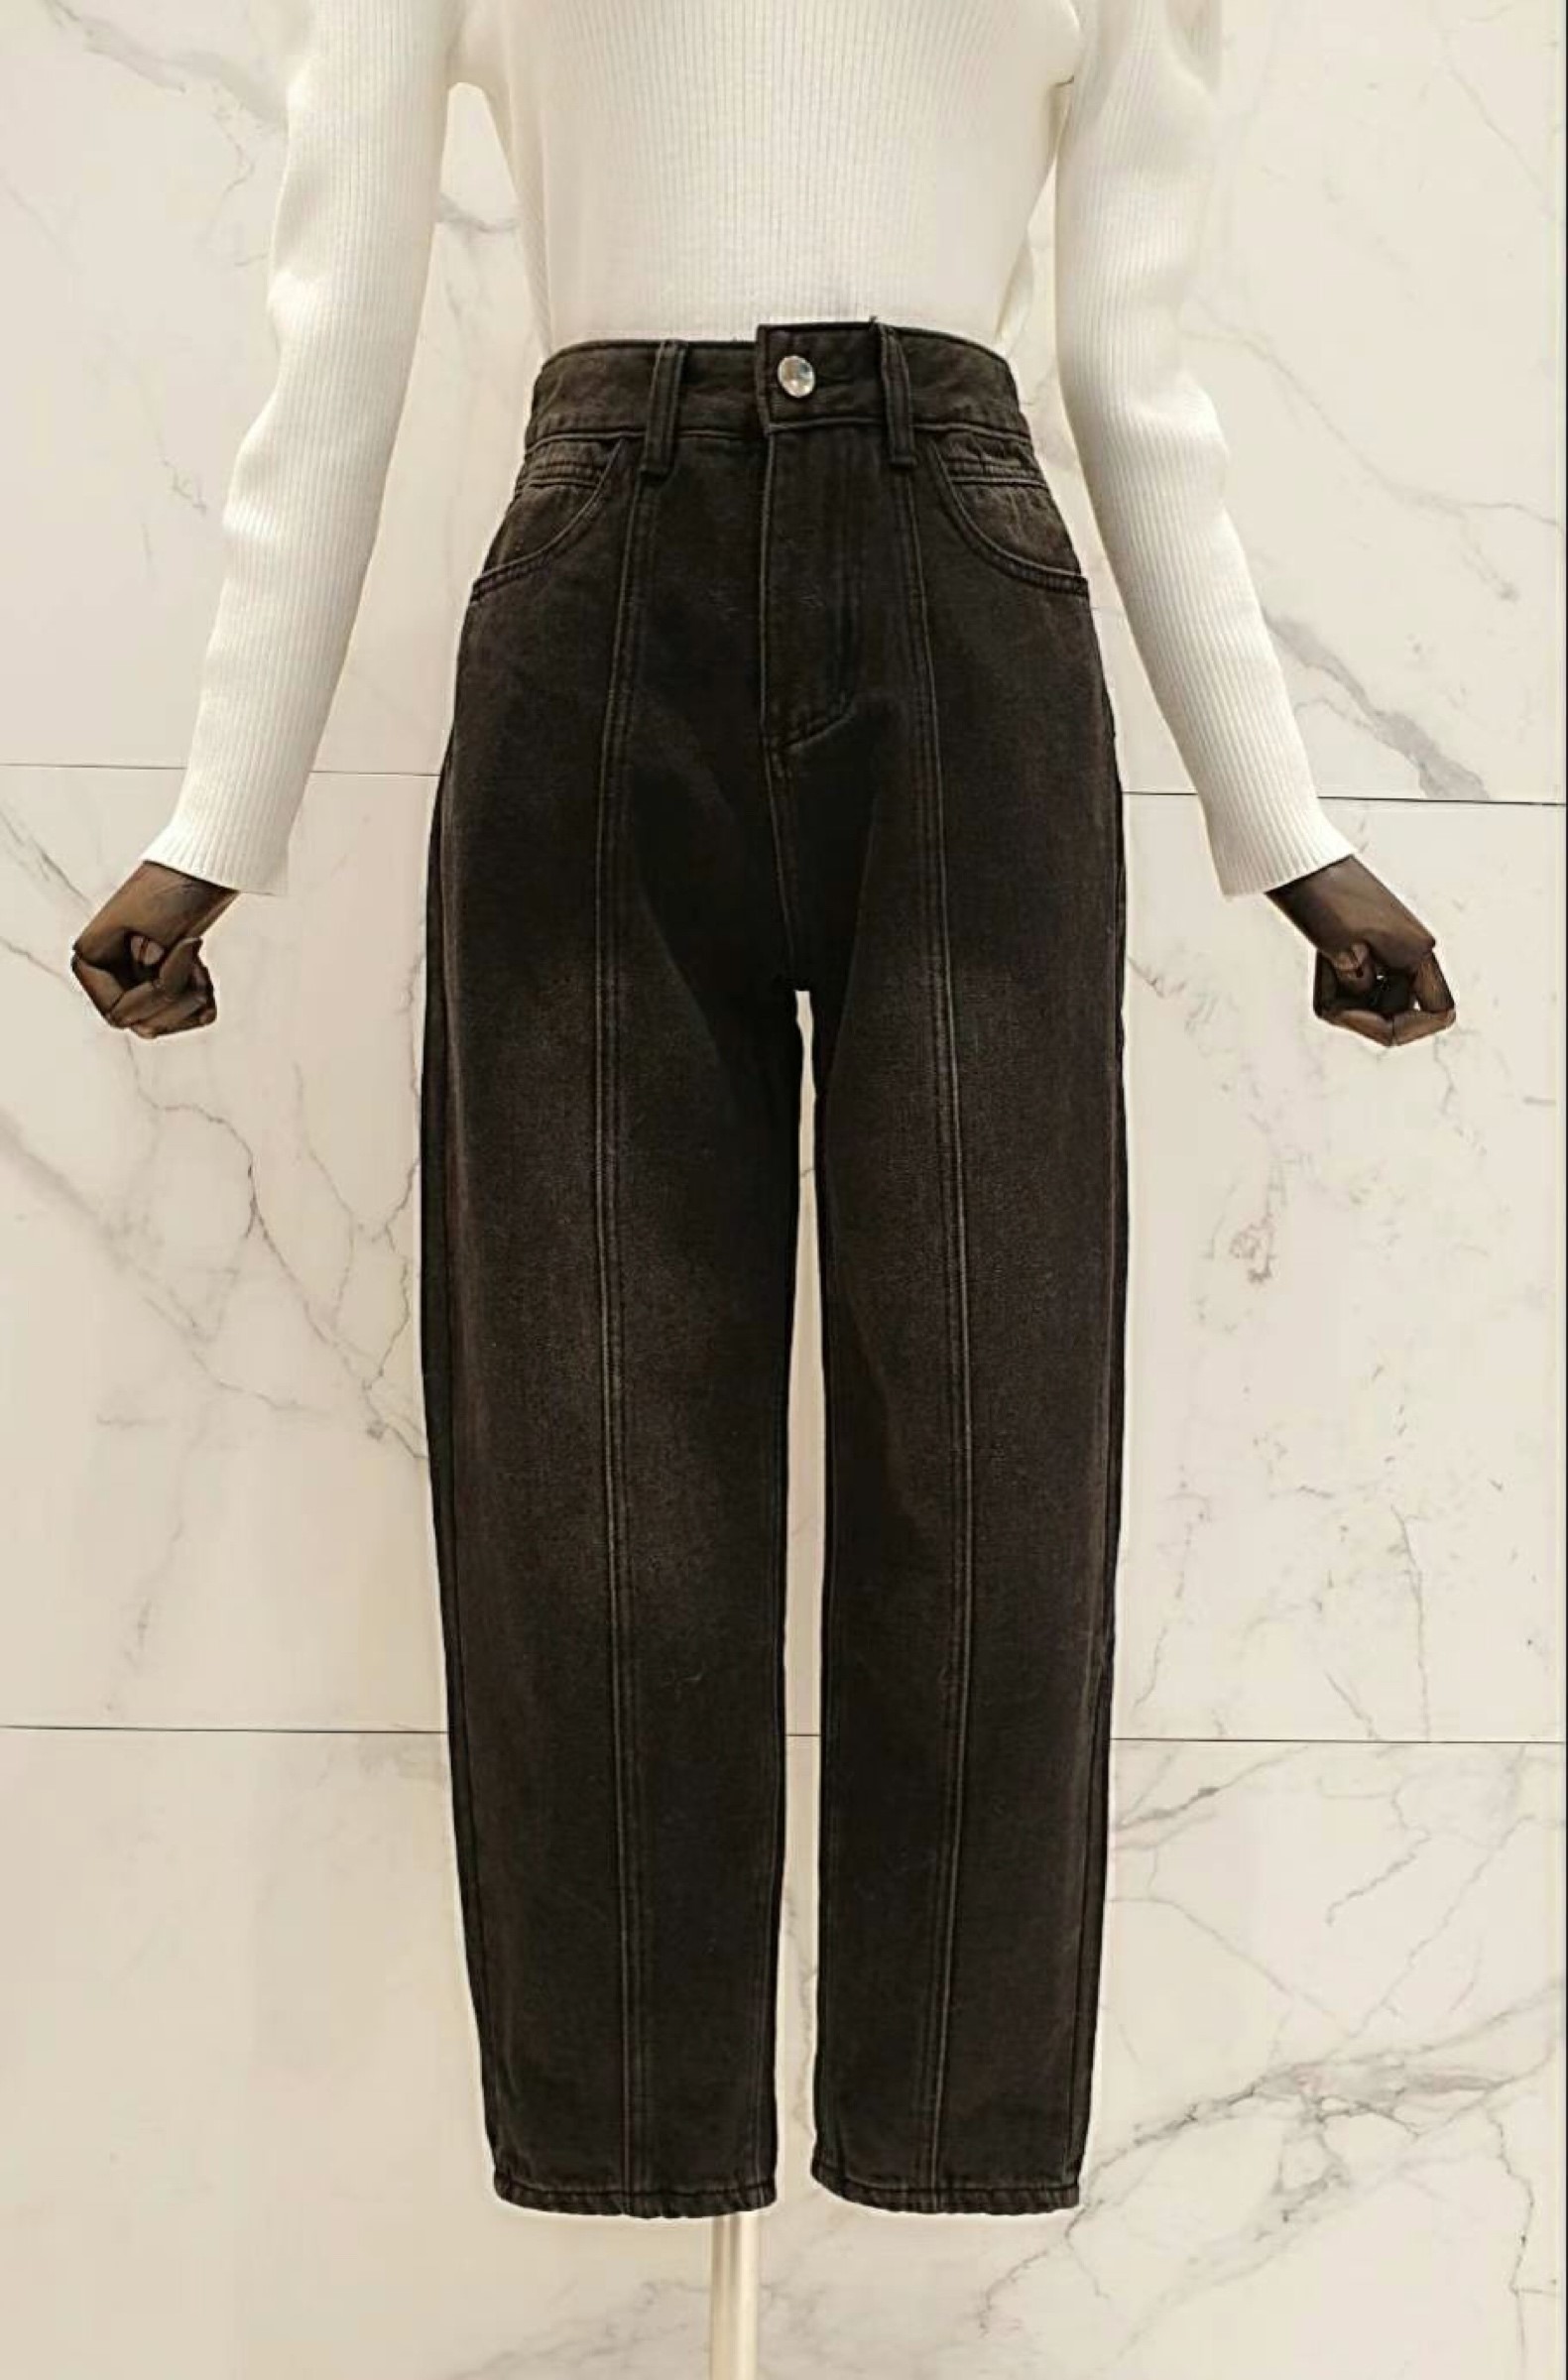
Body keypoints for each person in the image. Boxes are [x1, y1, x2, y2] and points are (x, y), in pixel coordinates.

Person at [68, 0, 1455, 2222]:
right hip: (595, 608)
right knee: (590, 1473)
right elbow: (337, 320)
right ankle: (637, 2131)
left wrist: (1289, 835)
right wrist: (215, 818)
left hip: (962, 620)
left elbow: (1132, 364)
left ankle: (945, 2122)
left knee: (991, 1452)